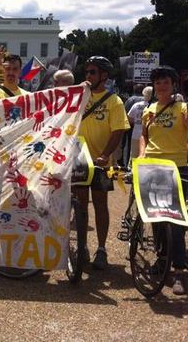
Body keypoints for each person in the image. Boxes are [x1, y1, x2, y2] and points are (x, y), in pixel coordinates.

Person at [139, 66, 188, 295]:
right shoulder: (148, 110)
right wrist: (141, 154)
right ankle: (162, 259)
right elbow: (143, 136)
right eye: (158, 83)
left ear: (173, 85)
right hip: (152, 168)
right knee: (156, 219)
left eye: (165, 82)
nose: (161, 86)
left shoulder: (184, 108)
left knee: (176, 223)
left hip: (177, 168)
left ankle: (179, 271)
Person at [75, 55, 130, 270]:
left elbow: (118, 131)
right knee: (80, 205)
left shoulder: (114, 101)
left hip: (101, 162)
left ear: (104, 76)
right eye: (86, 72)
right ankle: (82, 246)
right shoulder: (81, 95)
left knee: (100, 204)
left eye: (92, 72)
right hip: (80, 159)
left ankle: (101, 248)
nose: (87, 76)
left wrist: (106, 155)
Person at [127, 86, 152, 165]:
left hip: (135, 134)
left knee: (134, 156)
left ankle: (132, 173)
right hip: (149, 136)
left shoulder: (136, 105)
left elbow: (129, 118)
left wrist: (137, 122)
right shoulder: (154, 106)